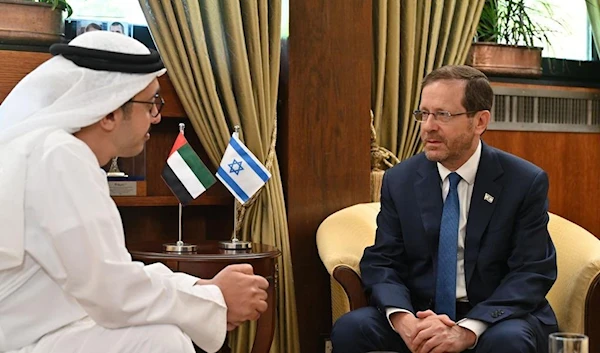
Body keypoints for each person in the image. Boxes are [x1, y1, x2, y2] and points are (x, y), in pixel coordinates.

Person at [0, 31, 268, 353]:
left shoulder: (53, 152)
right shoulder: (59, 156)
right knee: (160, 339)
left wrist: (200, 288)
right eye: (151, 103)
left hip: (40, 333)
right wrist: (214, 297)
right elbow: (111, 291)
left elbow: (111, 274)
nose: (156, 117)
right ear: (110, 112)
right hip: (21, 342)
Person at [331, 65, 558, 353]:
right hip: (420, 314)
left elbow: (532, 272)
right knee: (351, 329)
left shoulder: (524, 182)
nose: (428, 127)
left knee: (509, 341)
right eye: (423, 114)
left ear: (479, 121)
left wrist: (467, 330)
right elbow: (383, 260)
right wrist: (403, 319)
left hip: (494, 319)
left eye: (443, 115)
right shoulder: (400, 180)